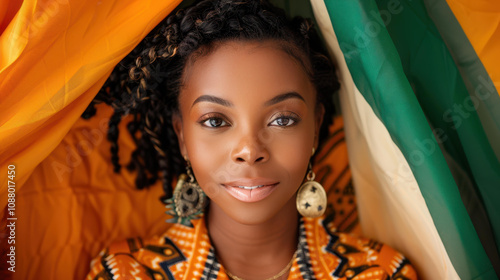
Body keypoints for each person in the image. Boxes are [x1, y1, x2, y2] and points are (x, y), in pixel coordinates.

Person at [85, 0, 417, 279]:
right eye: (215, 121)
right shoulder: (126, 273)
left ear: (315, 128)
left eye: (282, 119)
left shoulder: (379, 272)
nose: (249, 151)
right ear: (181, 135)